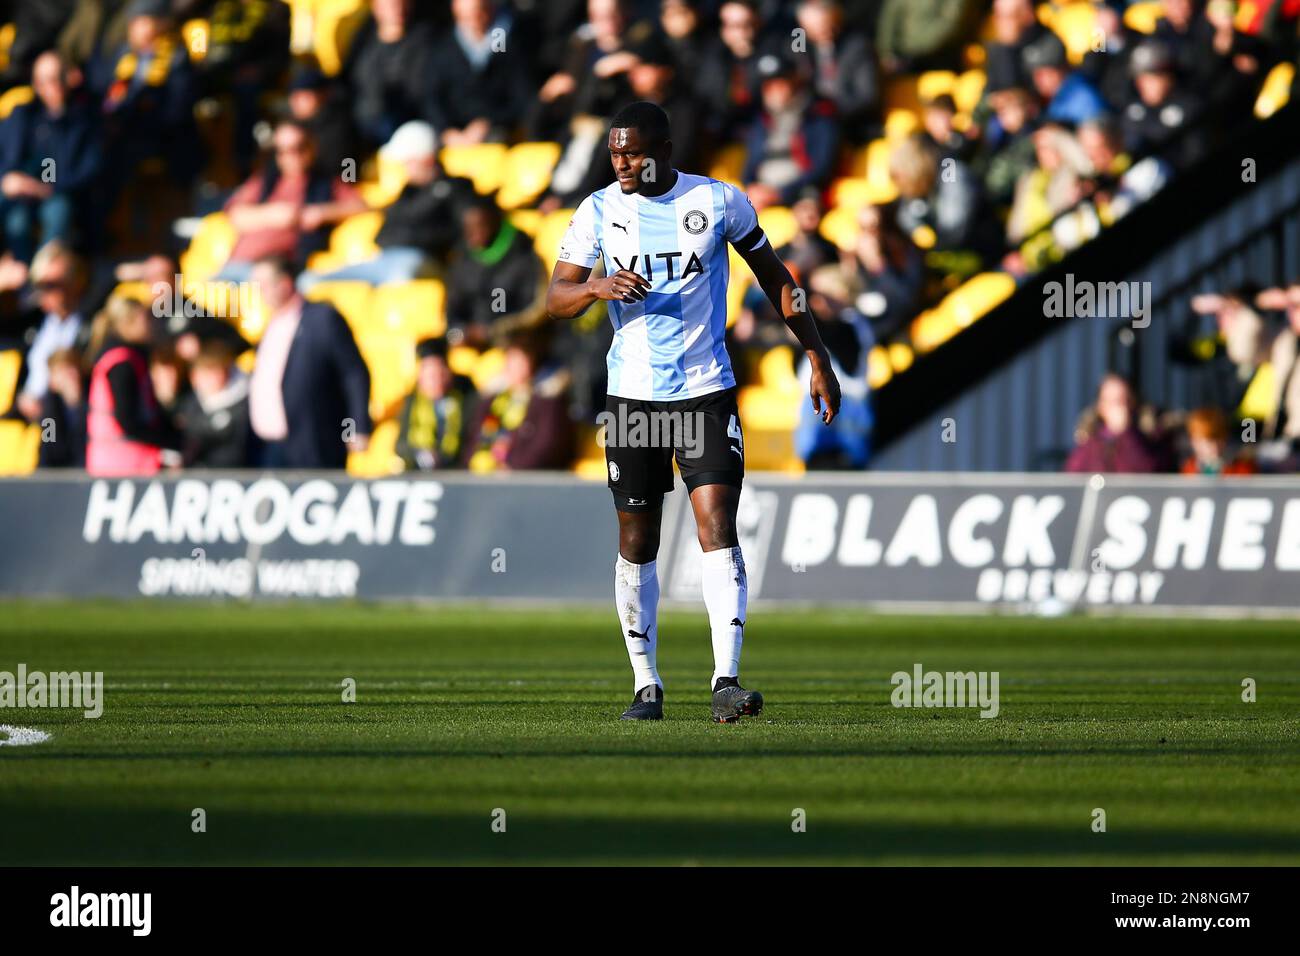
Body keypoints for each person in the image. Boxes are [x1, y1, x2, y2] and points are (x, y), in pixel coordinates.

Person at [546, 101, 841, 723]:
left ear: (663, 147)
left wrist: (816, 353)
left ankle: (726, 680)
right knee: (638, 538)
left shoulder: (718, 202)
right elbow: (556, 297)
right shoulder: (599, 210)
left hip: (705, 389)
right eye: (614, 153)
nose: (621, 163)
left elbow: (777, 278)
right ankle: (646, 685)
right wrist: (596, 287)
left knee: (716, 523)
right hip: (632, 397)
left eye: (631, 152)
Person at [299, 121, 473, 290]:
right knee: (309, 281)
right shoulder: (406, 192)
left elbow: (458, 234)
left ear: (426, 159)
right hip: (386, 258)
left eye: (407, 162)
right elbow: (385, 232)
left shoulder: (457, 188)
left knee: (403, 274)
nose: (403, 169)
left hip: (422, 259)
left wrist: (415, 238)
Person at [248, 256, 371, 469]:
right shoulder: (271, 324)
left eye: (262, 285)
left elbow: (353, 374)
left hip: (315, 443)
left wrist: (354, 430)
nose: (258, 292)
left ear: (285, 283)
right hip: (271, 446)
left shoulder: (322, 319)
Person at [218, 121, 366, 282]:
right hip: (236, 267)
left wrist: (320, 213)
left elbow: (362, 206)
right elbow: (233, 213)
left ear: (312, 147)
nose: (292, 155)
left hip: (279, 273)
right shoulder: (266, 180)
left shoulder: (326, 182)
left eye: (299, 147)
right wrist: (273, 214)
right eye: (283, 150)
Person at [0, 51, 102, 262]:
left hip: (58, 190)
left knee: (58, 213)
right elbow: (7, 158)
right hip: (20, 189)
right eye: (43, 81)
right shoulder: (23, 115)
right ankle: (24, 283)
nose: (50, 86)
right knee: (16, 222)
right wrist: (9, 178)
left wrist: (47, 187)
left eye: (56, 78)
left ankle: (47, 274)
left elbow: (88, 168)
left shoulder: (83, 119)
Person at [85, 296, 179, 476]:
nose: (152, 325)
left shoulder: (127, 357)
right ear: (128, 323)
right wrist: (169, 442)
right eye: (147, 319)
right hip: (124, 464)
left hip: (117, 462)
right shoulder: (122, 363)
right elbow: (127, 420)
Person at [445, 196, 546, 348]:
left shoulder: (523, 255)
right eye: (468, 229)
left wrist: (490, 332)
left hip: (515, 340)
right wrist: (459, 330)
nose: (474, 234)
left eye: (480, 226)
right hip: (471, 342)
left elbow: (533, 310)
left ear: (494, 221)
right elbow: (454, 307)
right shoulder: (463, 260)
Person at [465, 331, 573, 472]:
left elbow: (547, 446)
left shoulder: (547, 402)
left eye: (520, 362)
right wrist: (480, 463)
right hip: (488, 477)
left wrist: (511, 467)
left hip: (527, 480)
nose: (514, 368)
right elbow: (475, 440)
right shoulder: (492, 401)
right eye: (510, 361)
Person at [14, 241, 89, 422]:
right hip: (30, 424)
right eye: (40, 285)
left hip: (64, 423)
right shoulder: (33, 323)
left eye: (53, 284)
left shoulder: (89, 326)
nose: (45, 292)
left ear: (75, 282)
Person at [395, 338, 476, 471]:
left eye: (440, 374)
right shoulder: (412, 401)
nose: (436, 381)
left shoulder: (466, 396)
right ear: (420, 376)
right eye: (431, 376)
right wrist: (421, 454)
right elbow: (401, 445)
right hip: (420, 472)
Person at [1064, 373, 1163, 473]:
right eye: (1110, 401)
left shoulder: (1149, 434)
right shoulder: (1090, 437)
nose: (1117, 407)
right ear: (1100, 406)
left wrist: (1126, 433)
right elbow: (1074, 472)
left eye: (1121, 400)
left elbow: (1146, 471)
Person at [174, 341, 251, 468]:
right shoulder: (189, 403)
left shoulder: (244, 404)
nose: (205, 380)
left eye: (211, 373)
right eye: (201, 373)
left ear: (226, 372)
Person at [36, 346, 87, 468]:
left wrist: (77, 404)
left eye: (71, 368)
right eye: (61, 370)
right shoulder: (50, 412)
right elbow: (48, 450)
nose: (69, 375)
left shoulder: (92, 400)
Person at [1181, 407, 1255, 475]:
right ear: (1194, 441)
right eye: (1208, 441)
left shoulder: (1241, 468)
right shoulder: (1189, 469)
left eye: (1219, 440)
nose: (1215, 446)